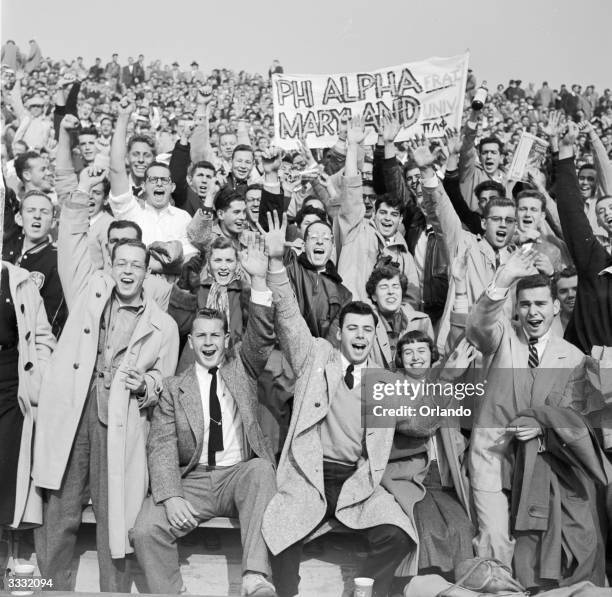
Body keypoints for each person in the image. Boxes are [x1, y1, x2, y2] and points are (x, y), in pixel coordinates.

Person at [32, 167, 179, 592]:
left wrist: (145, 385)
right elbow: (72, 240)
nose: (128, 271)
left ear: (147, 272)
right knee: (59, 507)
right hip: (74, 413)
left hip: (119, 420)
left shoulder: (162, 325)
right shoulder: (89, 291)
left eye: (137, 265)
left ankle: (112, 592)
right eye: (122, 263)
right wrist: (80, 190)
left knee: (116, 512)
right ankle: (47, 587)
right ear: (111, 264)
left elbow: (163, 383)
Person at [261, 211, 416, 597]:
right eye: (353, 329)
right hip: (310, 476)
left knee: (397, 535)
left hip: (355, 481)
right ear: (339, 333)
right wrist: (277, 263)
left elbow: (423, 422)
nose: (360, 336)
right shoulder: (316, 357)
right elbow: (288, 316)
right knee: (282, 533)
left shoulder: (385, 382)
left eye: (367, 330)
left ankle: (364, 593)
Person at [132, 234, 278, 597]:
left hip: (236, 476)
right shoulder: (175, 386)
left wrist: (259, 281)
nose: (209, 342)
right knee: (146, 530)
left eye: (216, 335)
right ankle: (173, 593)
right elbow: (162, 446)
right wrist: (170, 496)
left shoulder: (242, 368)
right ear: (191, 341)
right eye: (201, 336)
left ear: (227, 340)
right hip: (194, 480)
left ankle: (254, 578)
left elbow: (260, 338)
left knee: (261, 470)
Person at [465, 249, 585, 570]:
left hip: (543, 462)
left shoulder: (573, 358)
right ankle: (497, 588)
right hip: (491, 455)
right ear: (516, 308)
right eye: (526, 304)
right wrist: (502, 281)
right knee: (494, 537)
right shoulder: (503, 335)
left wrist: (543, 429)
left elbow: (574, 418)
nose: (533, 312)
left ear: (556, 307)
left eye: (541, 304)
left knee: (540, 551)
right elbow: (477, 329)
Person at [336, 116, 420, 306]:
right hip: (351, 319)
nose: (388, 218)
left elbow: (412, 299)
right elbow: (350, 189)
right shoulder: (356, 230)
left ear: (400, 220)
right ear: (373, 214)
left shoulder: (404, 255)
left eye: (394, 214)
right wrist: (352, 147)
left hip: (384, 331)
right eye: (383, 212)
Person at [0, 262, 55, 530]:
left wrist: (40, 374)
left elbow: (43, 336)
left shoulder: (19, 280)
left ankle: (3, 562)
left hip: (11, 377)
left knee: (6, 468)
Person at [108, 100, 197, 264]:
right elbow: (116, 169)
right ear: (144, 185)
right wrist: (123, 117)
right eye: (153, 180)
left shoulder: (183, 217)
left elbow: (191, 260)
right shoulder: (130, 210)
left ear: (172, 187)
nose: (159, 184)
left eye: (164, 180)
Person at [8, 191, 67, 338]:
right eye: (30, 210)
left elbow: (51, 321)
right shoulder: (5, 253)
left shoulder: (57, 260)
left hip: (28, 348)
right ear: (19, 218)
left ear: (53, 222)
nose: (37, 216)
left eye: (44, 212)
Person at [366, 265, 432, 368]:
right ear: (374, 296)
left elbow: (430, 364)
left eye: (395, 286)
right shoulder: (366, 324)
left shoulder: (422, 322)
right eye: (384, 287)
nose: (391, 292)